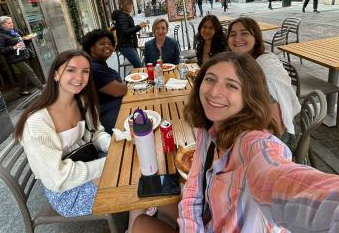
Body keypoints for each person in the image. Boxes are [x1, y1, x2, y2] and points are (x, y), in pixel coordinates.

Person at [132, 52, 339, 233]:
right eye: (210, 79)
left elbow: (282, 181)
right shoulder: (208, 130)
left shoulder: (256, 144)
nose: (214, 92)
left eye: (231, 85)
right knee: (139, 212)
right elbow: (193, 191)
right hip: (209, 219)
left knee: (140, 220)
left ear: (249, 96)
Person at [15, 50, 111, 217]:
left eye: (85, 71)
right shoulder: (37, 123)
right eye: (71, 70)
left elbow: (96, 134)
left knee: (136, 171)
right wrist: (108, 164)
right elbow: (57, 177)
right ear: (56, 75)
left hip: (86, 162)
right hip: (65, 190)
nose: (80, 78)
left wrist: (113, 147)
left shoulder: (81, 101)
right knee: (130, 185)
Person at [227, 17, 300, 135]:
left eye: (244, 33)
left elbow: (275, 126)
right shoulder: (239, 62)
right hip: (248, 121)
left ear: (255, 39)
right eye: (232, 34)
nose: (237, 39)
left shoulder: (267, 68)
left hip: (275, 136)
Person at [82, 29, 127, 134]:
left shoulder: (99, 64)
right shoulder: (94, 68)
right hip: (110, 117)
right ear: (91, 47)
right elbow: (120, 90)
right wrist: (125, 84)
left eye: (110, 44)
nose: (107, 46)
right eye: (102, 43)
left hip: (115, 107)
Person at [0, 15, 43, 96]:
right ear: (2, 25)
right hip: (14, 58)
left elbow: (23, 41)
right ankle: (43, 89)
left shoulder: (15, 31)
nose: (11, 24)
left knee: (24, 74)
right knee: (30, 72)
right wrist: (13, 47)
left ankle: (22, 90)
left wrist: (28, 39)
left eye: (11, 22)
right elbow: (1, 50)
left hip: (23, 54)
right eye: (9, 23)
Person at [111, 0, 147, 68]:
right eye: (131, 5)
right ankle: (133, 78)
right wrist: (139, 26)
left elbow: (126, 29)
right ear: (127, 5)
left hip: (130, 45)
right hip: (126, 46)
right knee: (139, 66)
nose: (132, 7)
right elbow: (125, 31)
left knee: (138, 66)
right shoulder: (122, 16)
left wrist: (138, 27)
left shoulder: (124, 15)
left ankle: (136, 77)